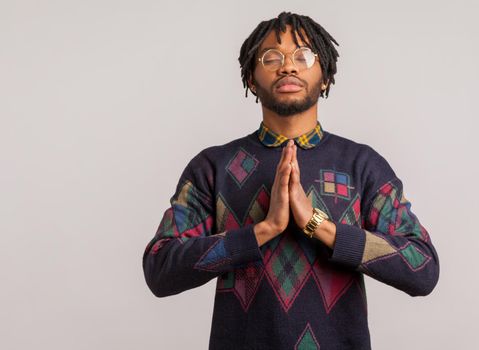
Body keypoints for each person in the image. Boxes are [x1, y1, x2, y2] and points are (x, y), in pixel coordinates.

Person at [142, 11, 439, 349]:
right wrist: (261, 231)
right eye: (271, 57)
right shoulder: (213, 167)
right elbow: (160, 267)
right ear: (251, 79)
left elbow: (423, 267)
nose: (288, 66)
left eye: (303, 55)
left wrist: (317, 225)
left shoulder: (361, 165)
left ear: (325, 76)